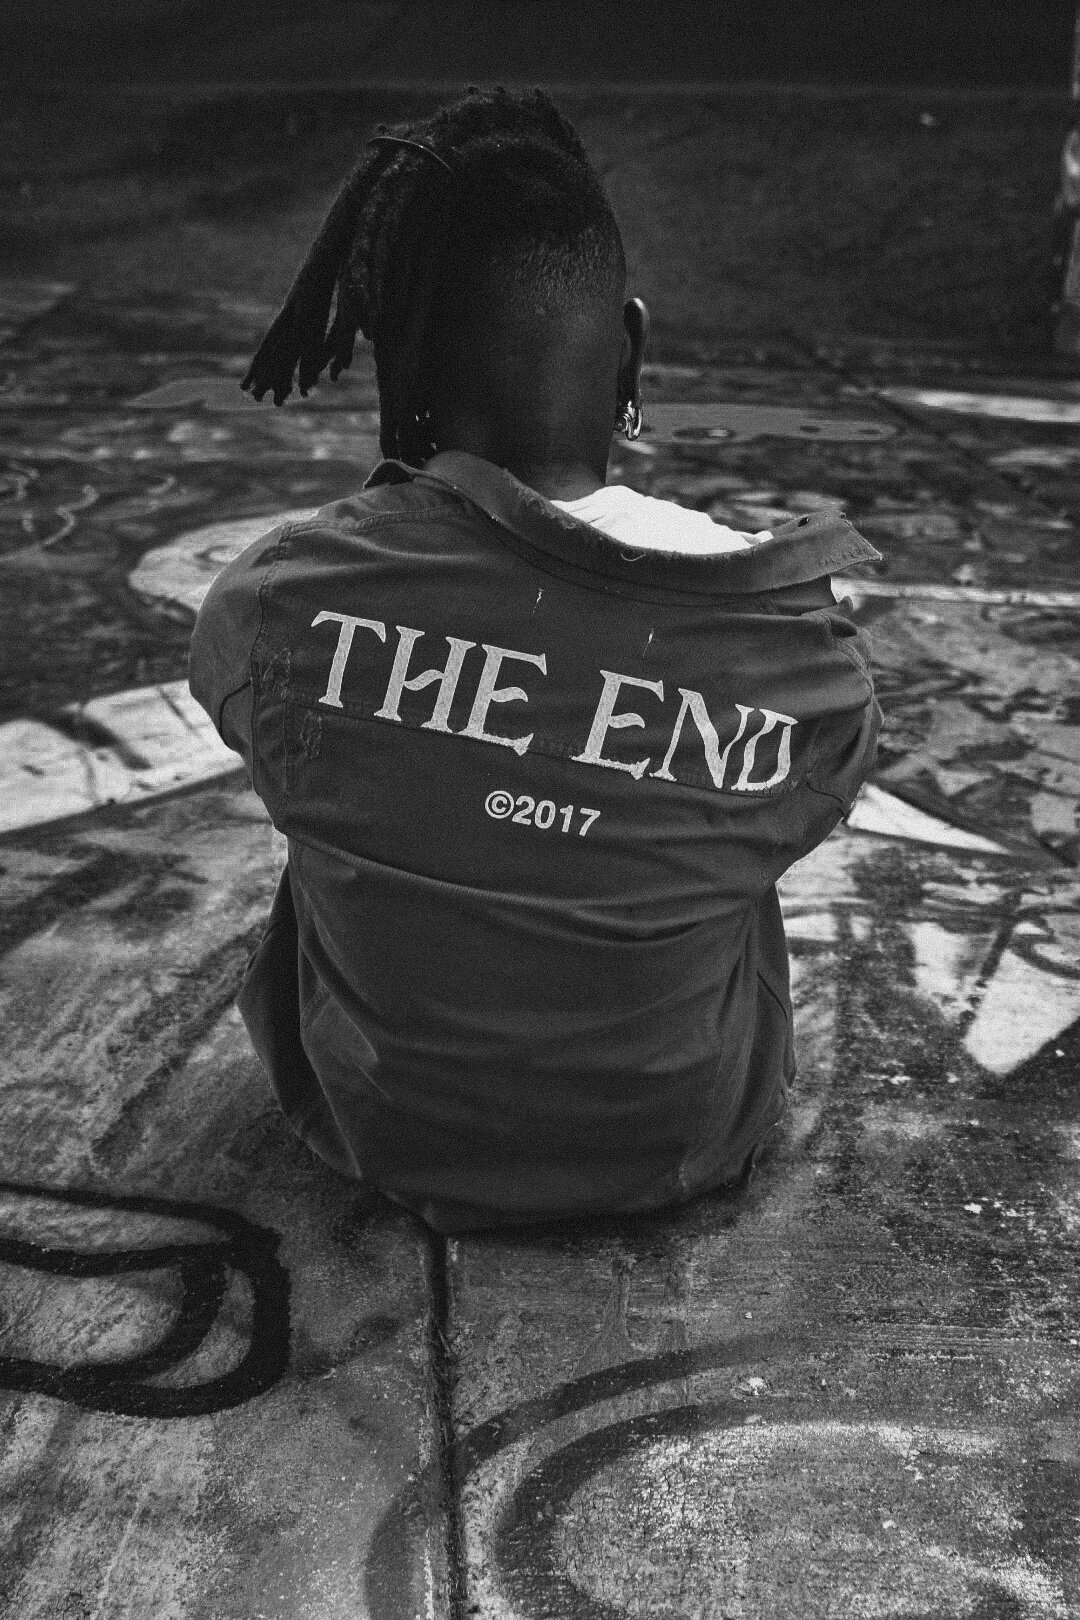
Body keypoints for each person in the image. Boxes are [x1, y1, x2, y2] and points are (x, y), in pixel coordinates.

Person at [188, 85, 880, 1233]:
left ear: (399, 366)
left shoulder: (275, 600)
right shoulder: (796, 650)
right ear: (632, 351)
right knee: (717, 849)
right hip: (679, 1143)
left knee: (335, 786)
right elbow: (806, 794)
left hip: (379, 1128)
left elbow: (280, 723)